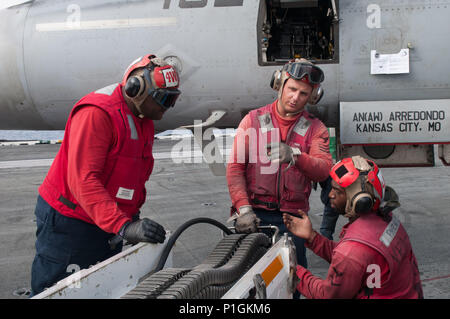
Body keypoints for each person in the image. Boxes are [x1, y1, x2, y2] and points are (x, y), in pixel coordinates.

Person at [30, 54, 181, 296]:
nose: (166, 107)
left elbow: (134, 173)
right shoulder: (97, 113)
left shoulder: (144, 118)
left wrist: (132, 218)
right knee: (61, 291)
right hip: (71, 223)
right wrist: (123, 226)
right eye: (162, 99)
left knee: (103, 288)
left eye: (172, 100)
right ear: (136, 89)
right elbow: (83, 181)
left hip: (108, 220)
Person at [226, 59, 333, 275]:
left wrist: (295, 156)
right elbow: (235, 168)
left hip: (293, 220)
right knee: (253, 281)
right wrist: (243, 209)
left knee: (293, 280)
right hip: (255, 217)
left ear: (312, 96)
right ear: (280, 84)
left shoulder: (315, 128)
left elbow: (323, 169)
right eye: (292, 89)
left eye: (303, 93)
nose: (295, 98)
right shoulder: (252, 121)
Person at [283, 156, 423, 299]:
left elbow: (329, 295)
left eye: (337, 191)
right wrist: (312, 237)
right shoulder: (386, 219)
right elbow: (354, 263)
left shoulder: (352, 251)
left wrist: (293, 272)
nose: (330, 194)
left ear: (359, 200)